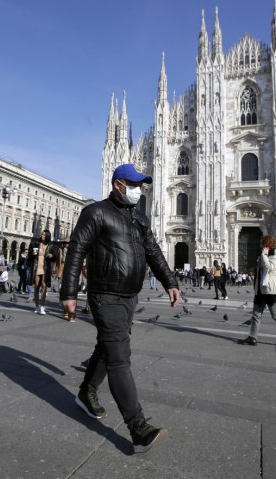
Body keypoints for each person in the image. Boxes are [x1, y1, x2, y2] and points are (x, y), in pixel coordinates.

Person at [60, 163, 180, 454]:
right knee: (119, 357)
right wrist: (69, 291)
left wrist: (170, 282)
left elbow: (153, 252)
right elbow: (76, 250)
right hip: (105, 294)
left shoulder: (139, 218)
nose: (139, 190)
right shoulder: (96, 212)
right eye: (134, 184)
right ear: (118, 184)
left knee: (108, 346)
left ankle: (86, 393)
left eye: (141, 185)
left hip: (130, 296)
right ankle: (138, 427)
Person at [27, 229, 59, 315]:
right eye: (42, 234)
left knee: (44, 286)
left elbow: (55, 256)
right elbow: (30, 255)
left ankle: (42, 307)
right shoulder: (37, 244)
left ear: (47, 236)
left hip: (45, 268)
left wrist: (52, 255)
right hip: (37, 267)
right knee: (36, 287)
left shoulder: (50, 245)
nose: (42, 236)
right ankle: (37, 306)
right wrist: (32, 253)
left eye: (44, 235)